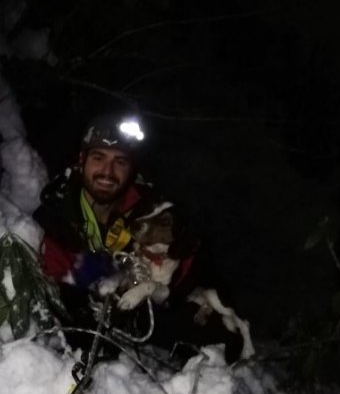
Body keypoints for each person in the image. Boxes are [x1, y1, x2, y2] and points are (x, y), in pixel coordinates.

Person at [33, 112, 244, 363]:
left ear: (132, 168)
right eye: (98, 158)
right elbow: (56, 282)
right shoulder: (57, 215)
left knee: (215, 336)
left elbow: (190, 262)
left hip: (150, 307)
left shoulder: (149, 209)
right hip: (88, 318)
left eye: (120, 162)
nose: (108, 171)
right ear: (82, 160)